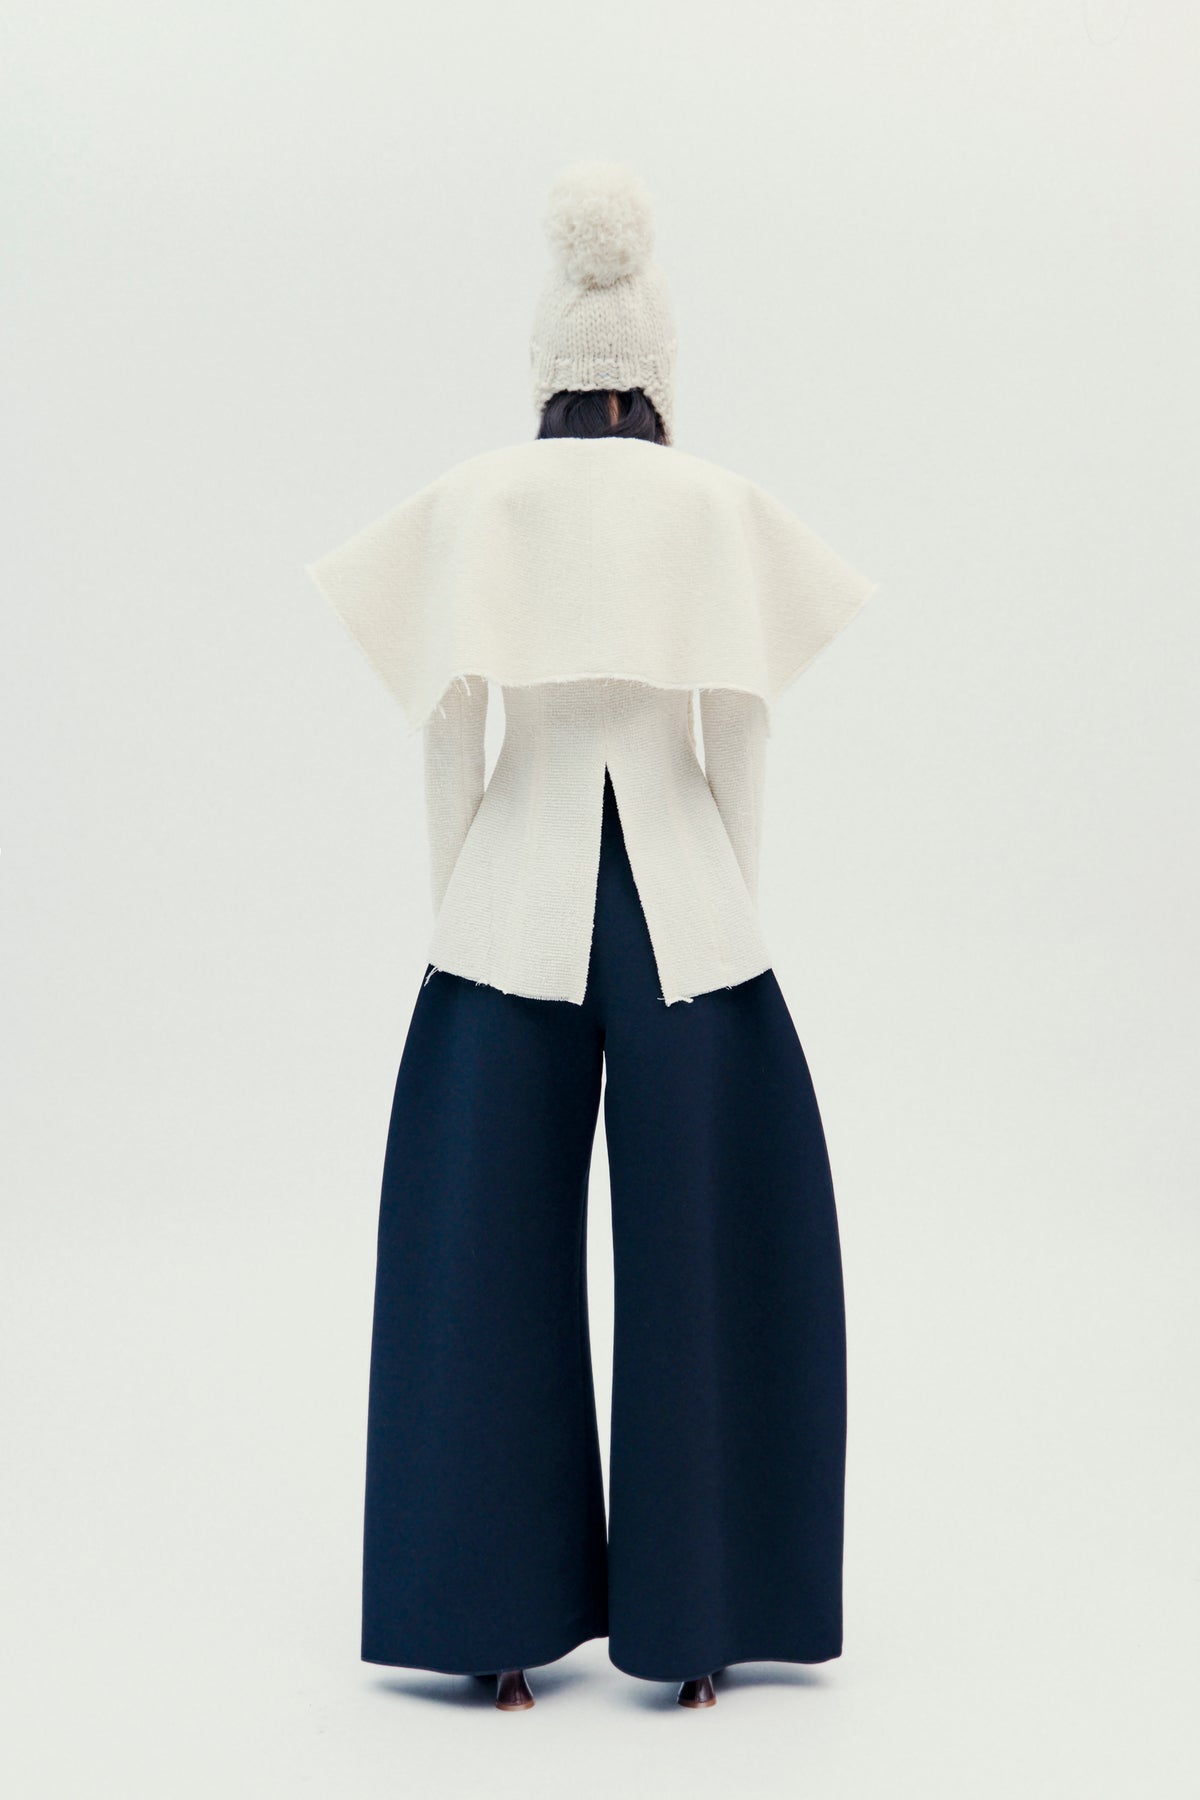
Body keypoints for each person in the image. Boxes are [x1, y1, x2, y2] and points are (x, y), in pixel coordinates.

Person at [305, 160, 880, 1712]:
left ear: (548, 368)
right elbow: (739, 726)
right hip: (686, 896)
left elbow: (450, 724)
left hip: (515, 884)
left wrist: (459, 904)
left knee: (474, 1238)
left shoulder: (484, 497)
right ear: (655, 373)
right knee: (717, 1238)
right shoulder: (710, 503)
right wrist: (729, 906)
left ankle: (485, 1616)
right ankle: (702, 1621)